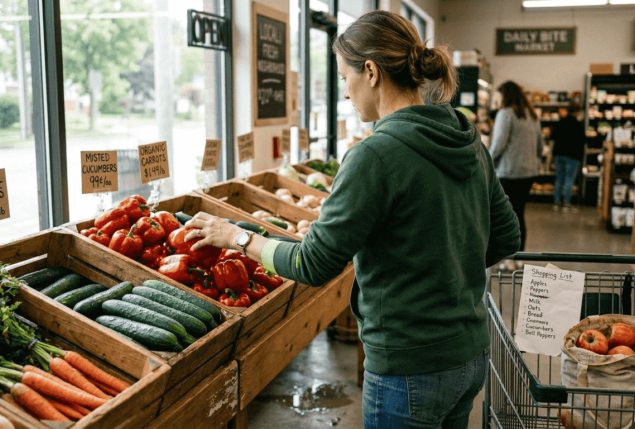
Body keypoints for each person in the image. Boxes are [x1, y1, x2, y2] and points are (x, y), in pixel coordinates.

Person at [183, 10, 520, 428]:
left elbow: (312, 264)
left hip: (407, 369)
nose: (344, 92)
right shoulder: (467, 139)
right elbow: (507, 237)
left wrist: (238, 237)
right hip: (469, 356)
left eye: (344, 78)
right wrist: (446, 264)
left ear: (372, 72)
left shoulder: (374, 156)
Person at [489, 81, 544, 270]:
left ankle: (508, 260)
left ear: (505, 96)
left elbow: (498, 145)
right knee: (520, 213)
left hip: (508, 172)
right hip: (528, 173)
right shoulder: (532, 115)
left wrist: (485, 161)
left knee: (506, 217)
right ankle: (519, 257)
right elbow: (540, 147)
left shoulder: (506, 114)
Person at [550, 102, 586, 212]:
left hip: (558, 154)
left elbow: (553, 137)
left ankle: (556, 202)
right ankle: (566, 203)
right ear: (577, 111)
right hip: (572, 156)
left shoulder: (560, 122)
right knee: (569, 179)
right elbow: (582, 141)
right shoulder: (578, 125)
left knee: (559, 178)